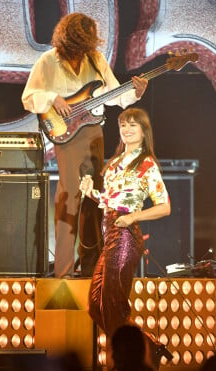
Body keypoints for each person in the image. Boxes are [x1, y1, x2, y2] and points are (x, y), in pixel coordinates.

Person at [22, 12, 148, 278]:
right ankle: (63, 271)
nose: (83, 49)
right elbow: (29, 97)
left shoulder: (96, 60)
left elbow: (114, 93)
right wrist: (52, 98)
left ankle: (91, 267)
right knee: (69, 198)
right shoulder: (48, 61)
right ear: (68, 39)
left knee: (95, 200)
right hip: (66, 138)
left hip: (93, 134)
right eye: (79, 43)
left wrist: (136, 92)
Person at [80, 107, 169, 338]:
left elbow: (164, 207)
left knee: (113, 307)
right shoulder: (117, 161)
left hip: (126, 235)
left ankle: (129, 359)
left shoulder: (146, 164)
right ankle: (145, 347)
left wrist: (133, 216)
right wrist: (91, 192)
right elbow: (110, 200)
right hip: (110, 233)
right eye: (123, 125)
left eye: (133, 125)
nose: (127, 130)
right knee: (95, 305)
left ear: (143, 131)